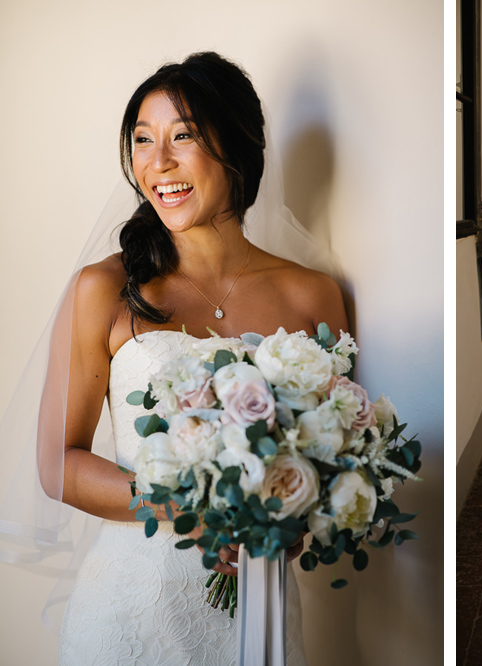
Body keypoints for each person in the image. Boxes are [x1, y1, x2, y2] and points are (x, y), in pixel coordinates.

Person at [3, 52, 347, 664]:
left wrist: (286, 524)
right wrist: (188, 507)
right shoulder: (102, 290)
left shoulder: (312, 294)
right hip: (129, 611)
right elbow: (58, 462)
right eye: (142, 140)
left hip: (258, 609)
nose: (157, 161)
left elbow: (327, 459)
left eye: (182, 136)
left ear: (236, 149)